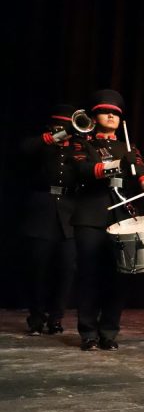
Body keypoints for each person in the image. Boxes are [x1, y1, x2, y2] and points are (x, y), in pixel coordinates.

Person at [71, 89, 144, 351]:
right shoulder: (82, 143)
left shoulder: (128, 147)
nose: (111, 116)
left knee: (119, 277)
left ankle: (109, 331)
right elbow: (82, 170)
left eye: (116, 114)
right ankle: (88, 332)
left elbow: (141, 171)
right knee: (89, 276)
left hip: (122, 217)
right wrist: (118, 164)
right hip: (91, 215)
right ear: (94, 117)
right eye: (106, 112)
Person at [20, 105, 80, 335]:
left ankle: (56, 318)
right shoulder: (41, 146)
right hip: (42, 210)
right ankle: (36, 317)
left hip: (69, 212)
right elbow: (25, 149)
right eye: (61, 127)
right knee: (38, 268)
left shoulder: (77, 149)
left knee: (66, 269)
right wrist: (53, 138)